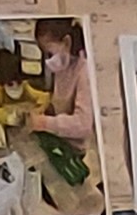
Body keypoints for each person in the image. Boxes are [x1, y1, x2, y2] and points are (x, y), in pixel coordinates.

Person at [28, 19, 95, 148]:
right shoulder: (63, 63)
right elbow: (62, 99)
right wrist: (48, 108)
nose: (49, 60)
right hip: (64, 139)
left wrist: (45, 123)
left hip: (82, 148)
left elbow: (83, 124)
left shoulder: (84, 71)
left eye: (50, 53)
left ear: (66, 42)